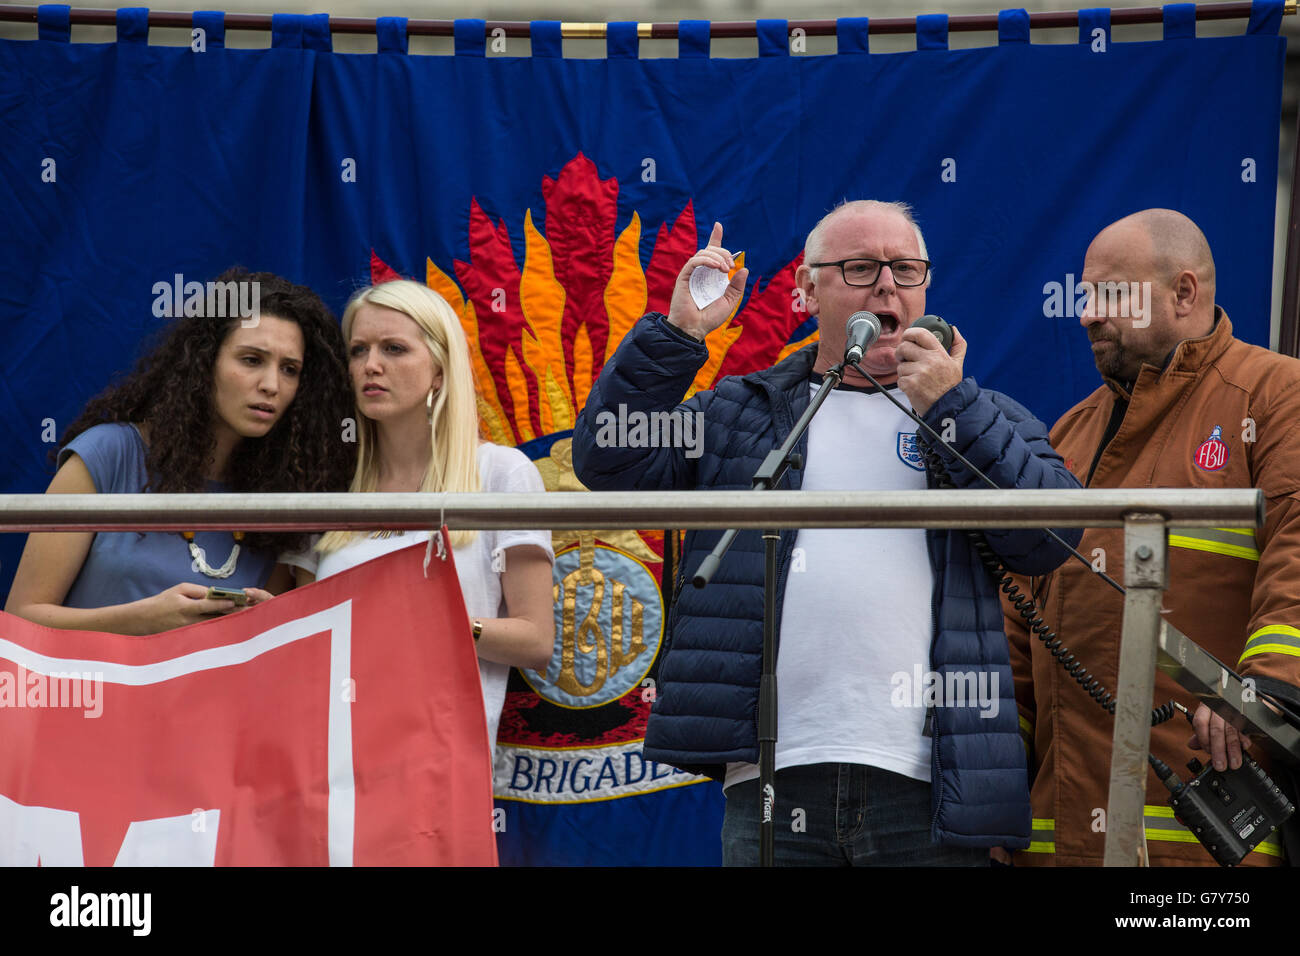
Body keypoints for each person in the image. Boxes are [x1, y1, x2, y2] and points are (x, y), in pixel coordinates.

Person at [571, 200, 1082, 866]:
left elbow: (1052, 538)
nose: (887, 285)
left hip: (930, 784)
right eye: (860, 268)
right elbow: (610, 459)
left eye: (905, 268)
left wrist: (953, 408)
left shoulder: (979, 415)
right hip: (775, 780)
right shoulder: (738, 413)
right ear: (807, 291)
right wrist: (679, 333)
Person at [1003, 208, 1300, 866]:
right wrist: (996, 789)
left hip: (1203, 847)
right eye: (1086, 296)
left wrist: (1262, 694)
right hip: (1056, 844)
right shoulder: (1066, 436)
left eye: (1109, 294)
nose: (1086, 314)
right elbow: (1015, 631)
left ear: (1184, 293)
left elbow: (1298, 561)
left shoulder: (1277, 397)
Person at [281, 280, 555, 750]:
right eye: (358, 350)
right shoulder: (329, 483)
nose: (370, 365)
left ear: (439, 370)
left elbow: (535, 641)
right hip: (326, 756)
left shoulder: (501, 472)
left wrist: (423, 616)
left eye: (394, 349)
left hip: (437, 762)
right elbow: (302, 641)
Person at [5, 268, 355, 635]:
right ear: (205, 363)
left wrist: (270, 628)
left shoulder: (285, 493)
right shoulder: (109, 455)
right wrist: (140, 621)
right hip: (91, 691)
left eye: (290, 369)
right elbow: (18, 622)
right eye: (251, 360)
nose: (271, 385)